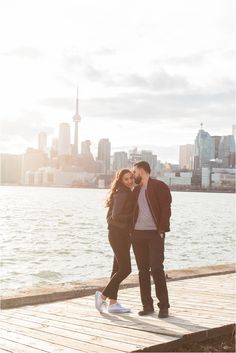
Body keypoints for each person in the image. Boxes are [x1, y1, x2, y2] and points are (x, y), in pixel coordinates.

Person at [131, 161, 172, 318]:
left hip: (155, 234)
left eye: (135, 172)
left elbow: (166, 209)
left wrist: (162, 229)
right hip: (137, 235)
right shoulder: (136, 190)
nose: (133, 175)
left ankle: (163, 306)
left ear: (141, 171)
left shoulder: (159, 186)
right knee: (142, 271)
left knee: (156, 268)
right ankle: (147, 305)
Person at [95, 169, 134, 313]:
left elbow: (110, 217)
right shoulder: (123, 193)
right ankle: (102, 297)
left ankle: (113, 303)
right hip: (119, 235)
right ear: (121, 181)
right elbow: (116, 216)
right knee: (126, 269)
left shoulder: (121, 192)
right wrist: (132, 216)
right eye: (126, 179)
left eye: (131, 178)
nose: (129, 181)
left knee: (117, 269)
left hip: (120, 234)